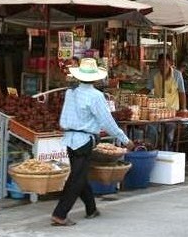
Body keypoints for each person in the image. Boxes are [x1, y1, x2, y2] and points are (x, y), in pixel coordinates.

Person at [51, 58, 134, 226]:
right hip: (83, 140)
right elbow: (107, 122)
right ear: (95, 78)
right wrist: (124, 139)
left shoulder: (70, 92)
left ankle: (91, 208)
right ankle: (60, 214)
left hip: (70, 139)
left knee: (79, 174)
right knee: (78, 178)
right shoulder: (96, 96)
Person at [141, 54, 186, 151]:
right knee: (152, 132)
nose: (163, 67)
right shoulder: (154, 74)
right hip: (157, 110)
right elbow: (148, 89)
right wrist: (136, 96)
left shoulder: (177, 75)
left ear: (170, 64)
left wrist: (183, 109)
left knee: (169, 136)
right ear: (158, 65)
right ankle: (150, 151)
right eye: (161, 65)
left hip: (172, 111)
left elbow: (182, 93)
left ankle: (167, 153)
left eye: (165, 64)